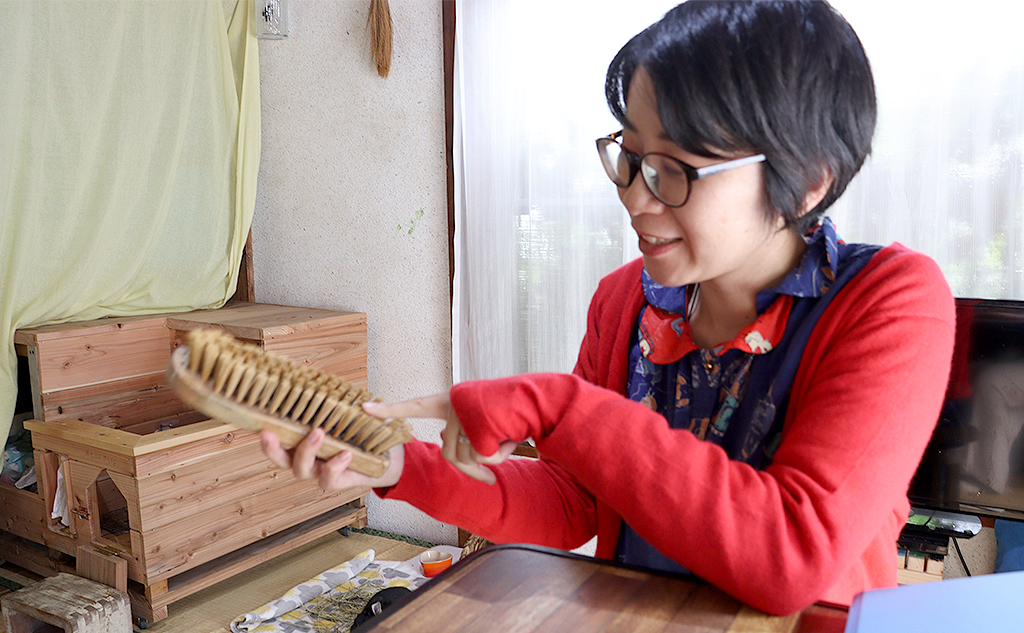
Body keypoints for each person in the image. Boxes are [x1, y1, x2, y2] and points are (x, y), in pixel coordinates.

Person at [261, 0, 956, 615]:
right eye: (629, 156)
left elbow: (791, 558)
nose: (634, 195)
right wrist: (398, 467)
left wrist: (557, 406)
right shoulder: (626, 301)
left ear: (805, 182)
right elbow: (573, 502)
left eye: (675, 171)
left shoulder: (891, 302)